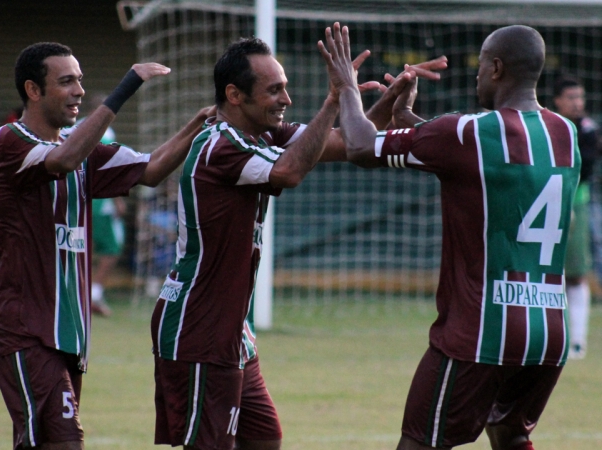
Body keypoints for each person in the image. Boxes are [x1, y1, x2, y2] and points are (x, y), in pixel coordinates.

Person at [150, 36, 447, 450]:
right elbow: (290, 172)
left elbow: (346, 142)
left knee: (264, 437)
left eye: (285, 87)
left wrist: (391, 102)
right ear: (234, 95)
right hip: (198, 327)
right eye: (274, 90)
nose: (286, 98)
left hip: (232, 329)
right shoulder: (220, 143)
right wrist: (339, 94)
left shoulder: (263, 134)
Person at [319, 23, 580, 450]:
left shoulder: (468, 133)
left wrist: (346, 87)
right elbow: (483, 162)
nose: (476, 75)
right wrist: (407, 122)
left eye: (479, 66)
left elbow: (361, 148)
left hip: (481, 329)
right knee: (510, 433)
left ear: (496, 68)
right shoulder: (564, 134)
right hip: (548, 330)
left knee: (418, 442)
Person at [0, 42, 214, 450]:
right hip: (22, 327)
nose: (79, 91)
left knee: (39, 441)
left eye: (81, 81)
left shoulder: (82, 152)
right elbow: (64, 160)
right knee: (64, 441)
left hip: (68, 330)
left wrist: (197, 125)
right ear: (33, 90)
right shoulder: (9, 142)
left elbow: (153, 169)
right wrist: (126, 88)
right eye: (66, 81)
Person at [553, 76, 600, 359]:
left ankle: (578, 342)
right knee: (546, 273)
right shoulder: (547, 126)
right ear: (557, 100)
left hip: (576, 203)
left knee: (577, 274)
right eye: (571, 97)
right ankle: (552, 337)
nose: (577, 103)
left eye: (580, 97)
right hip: (545, 203)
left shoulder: (587, 130)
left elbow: (587, 168)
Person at [79, 92, 125, 316]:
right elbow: (107, 166)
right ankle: (93, 294)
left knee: (80, 247)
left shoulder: (75, 126)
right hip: (99, 201)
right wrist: (117, 198)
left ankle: (81, 293)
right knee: (112, 247)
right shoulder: (104, 132)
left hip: (75, 198)